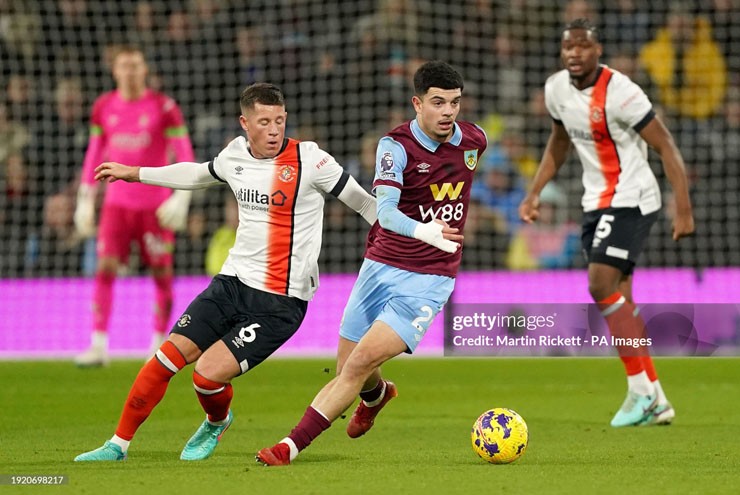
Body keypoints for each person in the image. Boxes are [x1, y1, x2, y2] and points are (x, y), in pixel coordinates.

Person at [74, 82, 376, 462]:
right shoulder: (234, 154)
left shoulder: (311, 161)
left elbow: (365, 204)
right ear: (244, 123)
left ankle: (216, 422)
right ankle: (117, 445)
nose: (273, 130)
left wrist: (411, 234)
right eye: (264, 121)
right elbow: (199, 174)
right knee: (165, 358)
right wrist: (136, 172)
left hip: (280, 302)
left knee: (206, 376)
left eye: (279, 121)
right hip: (231, 283)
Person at [256, 60, 488, 466]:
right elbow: (386, 213)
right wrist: (426, 229)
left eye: (454, 103)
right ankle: (378, 395)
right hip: (379, 265)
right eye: (438, 103)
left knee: (361, 362)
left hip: (429, 278)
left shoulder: (474, 140)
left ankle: (289, 446)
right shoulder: (394, 147)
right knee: (348, 366)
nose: (448, 112)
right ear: (417, 103)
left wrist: (435, 239)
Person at [518, 19, 694, 427]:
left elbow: (665, 144)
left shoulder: (623, 93)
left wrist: (682, 207)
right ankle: (656, 398)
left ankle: (639, 392)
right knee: (622, 301)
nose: (574, 53)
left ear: (599, 51)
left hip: (633, 198)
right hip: (595, 202)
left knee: (599, 285)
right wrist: (534, 191)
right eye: (568, 47)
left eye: (583, 46)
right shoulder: (556, 89)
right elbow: (559, 141)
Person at [73, 45, 196, 366]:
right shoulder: (103, 107)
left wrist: (182, 196)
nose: (130, 72)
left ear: (145, 70)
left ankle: (158, 344)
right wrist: (85, 200)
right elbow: (94, 152)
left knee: (161, 272)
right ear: (115, 71)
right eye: (124, 66)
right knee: (104, 269)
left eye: (135, 66)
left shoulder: (163, 106)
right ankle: (98, 345)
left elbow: (183, 151)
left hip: (154, 206)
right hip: (116, 206)